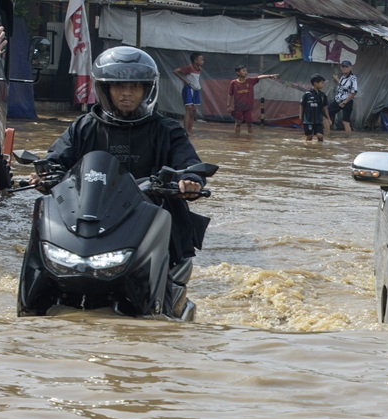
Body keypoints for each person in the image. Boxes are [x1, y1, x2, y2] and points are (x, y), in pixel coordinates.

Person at [31, 46, 208, 263]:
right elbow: (57, 157)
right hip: (88, 214)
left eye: (135, 87)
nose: (127, 93)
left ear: (147, 90)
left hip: (149, 213)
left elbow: (188, 162)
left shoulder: (167, 129)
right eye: (118, 86)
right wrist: (44, 174)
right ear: (105, 89)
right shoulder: (84, 126)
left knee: (172, 263)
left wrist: (189, 180)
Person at [228, 64, 279, 134]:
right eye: (243, 71)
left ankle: (250, 141)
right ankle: (237, 139)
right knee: (238, 123)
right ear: (238, 73)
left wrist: (270, 76)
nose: (246, 72)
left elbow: (259, 77)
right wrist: (228, 106)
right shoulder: (233, 83)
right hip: (238, 107)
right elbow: (230, 94)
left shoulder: (250, 81)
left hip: (249, 107)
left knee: (249, 124)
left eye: (246, 70)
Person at [173, 52, 204, 133]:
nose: (203, 61)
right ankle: (186, 130)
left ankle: (190, 129)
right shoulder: (189, 68)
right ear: (195, 60)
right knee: (188, 109)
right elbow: (175, 71)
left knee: (193, 109)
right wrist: (184, 80)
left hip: (196, 90)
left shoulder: (199, 69)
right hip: (189, 89)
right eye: (201, 60)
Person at [329, 60, 358, 133]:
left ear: (350, 68)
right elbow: (343, 85)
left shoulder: (353, 78)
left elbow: (354, 92)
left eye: (346, 67)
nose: (344, 68)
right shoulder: (342, 77)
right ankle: (327, 133)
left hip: (347, 101)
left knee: (345, 121)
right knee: (327, 114)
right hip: (338, 100)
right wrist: (337, 80)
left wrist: (345, 102)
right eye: (343, 66)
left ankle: (348, 138)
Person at [301, 74, 330, 143]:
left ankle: (319, 149)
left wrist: (328, 118)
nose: (323, 85)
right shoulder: (307, 94)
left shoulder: (323, 95)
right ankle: (308, 150)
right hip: (308, 119)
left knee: (320, 136)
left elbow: (325, 107)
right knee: (309, 137)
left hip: (318, 119)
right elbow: (302, 105)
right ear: (315, 84)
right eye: (322, 83)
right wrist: (300, 116)